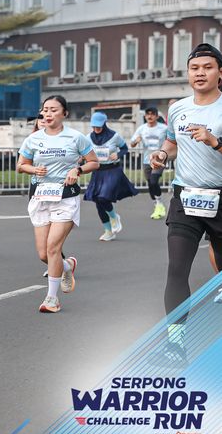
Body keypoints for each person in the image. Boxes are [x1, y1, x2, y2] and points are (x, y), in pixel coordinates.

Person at [148, 43, 222, 361]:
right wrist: (162, 154)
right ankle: (175, 346)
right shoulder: (178, 108)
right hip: (186, 198)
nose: (200, 73)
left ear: (220, 72)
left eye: (207, 67)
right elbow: (172, 141)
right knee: (177, 269)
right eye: (194, 68)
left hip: (221, 198)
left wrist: (214, 141)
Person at [17, 95, 99, 313]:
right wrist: (33, 169)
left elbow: (94, 162)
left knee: (53, 247)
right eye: (45, 110)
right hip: (40, 198)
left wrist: (77, 170)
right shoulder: (33, 139)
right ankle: (67, 265)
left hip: (66, 197)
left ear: (64, 113)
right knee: (43, 254)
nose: (48, 114)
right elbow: (21, 165)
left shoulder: (76, 137)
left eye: (53, 110)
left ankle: (52, 299)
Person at [84, 112, 138, 241]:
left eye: (99, 126)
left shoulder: (114, 136)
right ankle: (108, 231)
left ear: (104, 124)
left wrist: (117, 155)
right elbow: (84, 153)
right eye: (94, 126)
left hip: (113, 170)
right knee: (98, 202)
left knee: (103, 197)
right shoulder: (88, 138)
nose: (96, 128)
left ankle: (114, 216)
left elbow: (124, 148)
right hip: (97, 171)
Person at [130, 107, 168, 219]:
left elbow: (172, 140)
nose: (150, 116)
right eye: (148, 114)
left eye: (152, 114)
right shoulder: (142, 128)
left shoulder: (164, 128)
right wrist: (135, 142)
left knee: (153, 180)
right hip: (147, 160)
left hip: (159, 159)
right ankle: (157, 204)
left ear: (157, 116)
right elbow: (132, 144)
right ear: (145, 116)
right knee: (150, 183)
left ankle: (159, 203)